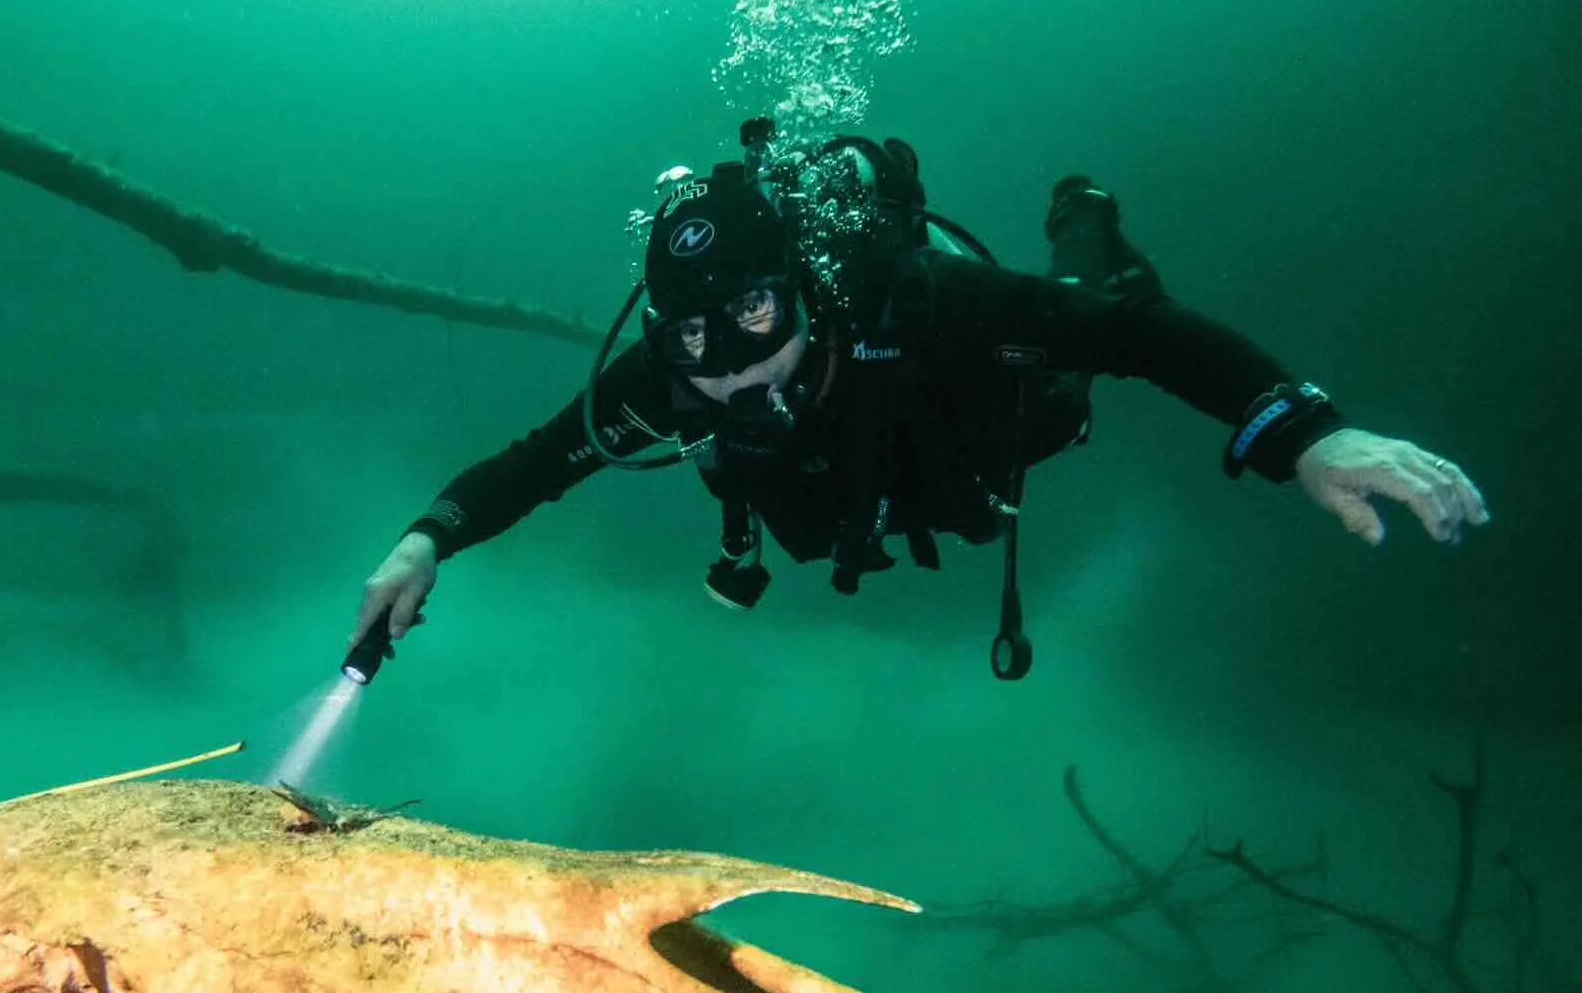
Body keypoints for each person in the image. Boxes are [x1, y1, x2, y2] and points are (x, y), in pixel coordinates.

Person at [350, 124, 1487, 679]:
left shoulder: (916, 300)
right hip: (860, 487)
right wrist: (421, 542)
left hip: (986, 412)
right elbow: (535, 462)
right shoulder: (671, 376)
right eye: (691, 334)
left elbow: (1140, 341)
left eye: (752, 316)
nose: (727, 362)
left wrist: (1307, 434)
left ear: (802, 292)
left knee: (1088, 313)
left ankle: (1080, 212)